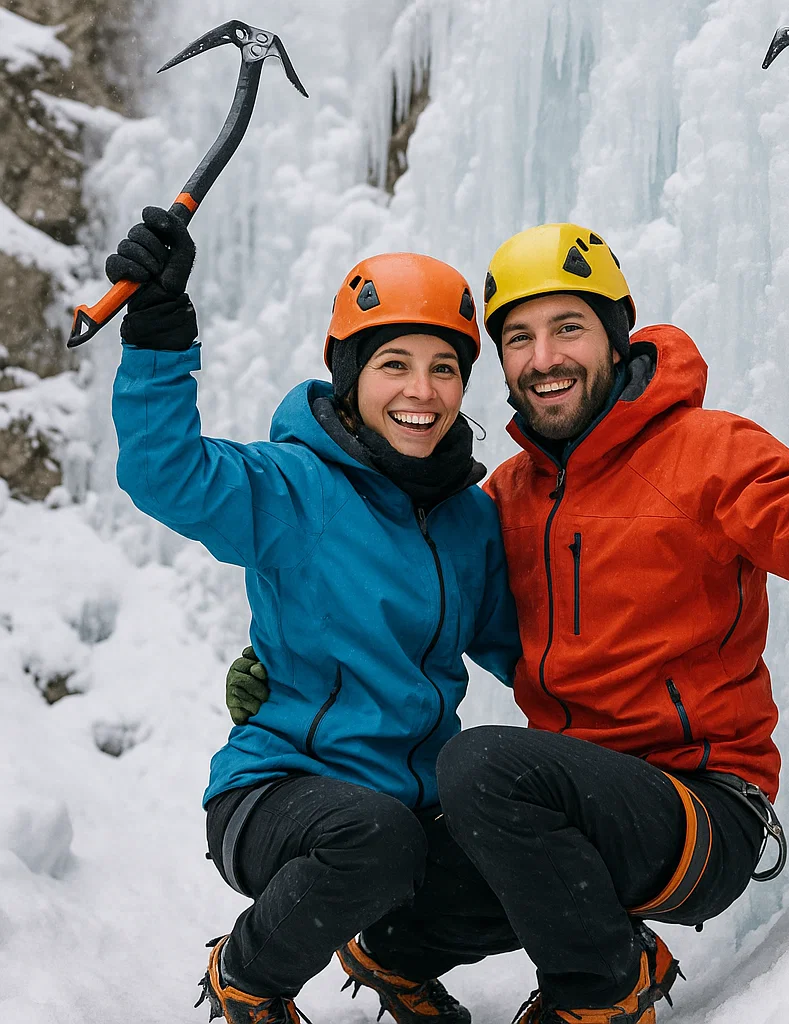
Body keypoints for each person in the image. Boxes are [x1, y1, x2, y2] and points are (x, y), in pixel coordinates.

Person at [227, 222, 789, 1024]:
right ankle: (394, 952)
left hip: (702, 808)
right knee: (405, 838)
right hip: (571, 816)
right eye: (518, 338)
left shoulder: (708, 451)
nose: (543, 358)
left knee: (480, 765)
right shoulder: (505, 500)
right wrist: (287, 675)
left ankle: (599, 994)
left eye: (568, 328)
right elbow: (416, 615)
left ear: (615, 337)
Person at [106, 206, 521, 1024]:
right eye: (393, 363)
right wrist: (157, 337)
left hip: (405, 813)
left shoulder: (469, 520)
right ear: (349, 374)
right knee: (375, 838)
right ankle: (248, 976)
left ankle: (392, 958)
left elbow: (532, 654)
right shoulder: (292, 488)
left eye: (445, 368)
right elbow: (166, 473)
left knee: (532, 850)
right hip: (275, 796)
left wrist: (623, 766)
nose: (421, 390)